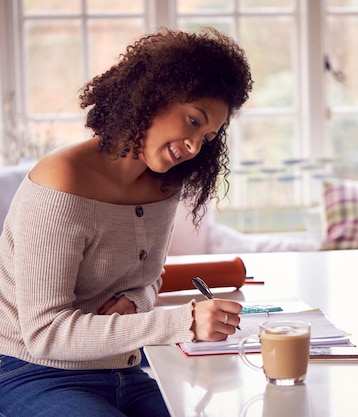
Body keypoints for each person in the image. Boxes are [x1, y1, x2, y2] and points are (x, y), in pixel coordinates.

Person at [0, 27, 253, 417]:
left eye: (207, 136)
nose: (193, 146)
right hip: (32, 372)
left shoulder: (163, 186)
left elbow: (147, 279)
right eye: (192, 120)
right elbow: (45, 335)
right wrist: (182, 323)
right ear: (152, 96)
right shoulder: (61, 182)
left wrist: (137, 301)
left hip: (124, 369)